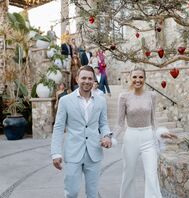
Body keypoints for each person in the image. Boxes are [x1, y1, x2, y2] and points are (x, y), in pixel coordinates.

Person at [51, 65, 113, 198]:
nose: (87, 81)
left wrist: (107, 136)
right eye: (83, 78)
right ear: (77, 79)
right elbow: (58, 127)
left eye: (90, 78)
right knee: (71, 192)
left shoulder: (101, 101)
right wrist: (55, 152)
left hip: (94, 152)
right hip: (73, 152)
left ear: (94, 80)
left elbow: (103, 124)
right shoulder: (65, 101)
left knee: (92, 193)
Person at [117, 66, 177, 198]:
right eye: (134, 77)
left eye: (141, 77)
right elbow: (120, 124)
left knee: (151, 175)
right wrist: (110, 138)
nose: (138, 80)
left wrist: (161, 132)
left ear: (145, 79)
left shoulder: (152, 95)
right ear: (130, 78)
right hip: (131, 137)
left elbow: (154, 120)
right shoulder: (124, 97)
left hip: (148, 137)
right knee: (128, 174)